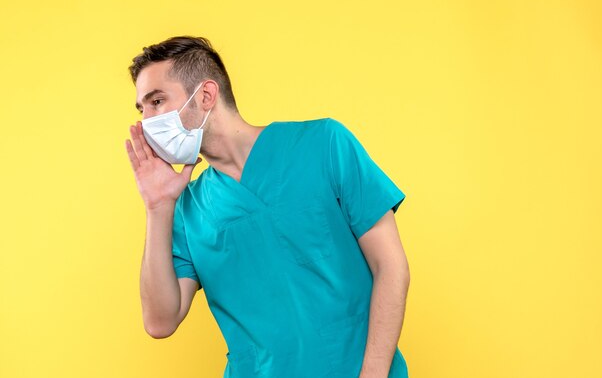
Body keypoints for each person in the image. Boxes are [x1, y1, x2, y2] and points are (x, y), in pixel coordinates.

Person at [124, 35, 411, 378]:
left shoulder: (324, 145)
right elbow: (160, 322)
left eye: (156, 101)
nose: (147, 121)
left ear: (205, 96)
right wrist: (157, 207)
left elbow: (391, 267)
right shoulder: (187, 209)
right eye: (142, 109)